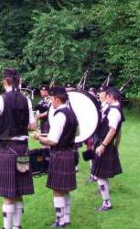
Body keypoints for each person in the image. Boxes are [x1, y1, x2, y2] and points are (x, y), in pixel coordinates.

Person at [0, 68, 36, 229]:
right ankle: (17, 226)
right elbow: (32, 125)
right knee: (18, 191)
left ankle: (7, 228)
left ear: (5, 81)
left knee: (8, 193)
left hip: (7, 147)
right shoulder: (26, 100)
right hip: (23, 148)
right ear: (18, 82)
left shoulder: (0, 99)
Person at [34, 87, 79, 228]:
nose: (50, 101)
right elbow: (73, 134)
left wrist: (39, 138)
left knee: (57, 189)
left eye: (51, 99)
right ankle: (66, 218)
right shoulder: (72, 113)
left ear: (58, 100)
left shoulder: (59, 115)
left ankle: (60, 221)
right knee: (64, 189)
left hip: (59, 154)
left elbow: (53, 141)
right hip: (69, 153)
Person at [92, 87, 125, 211]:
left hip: (105, 145)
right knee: (102, 175)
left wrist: (103, 146)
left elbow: (112, 131)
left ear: (111, 96)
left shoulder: (114, 111)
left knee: (100, 176)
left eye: (107, 96)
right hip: (106, 145)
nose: (105, 98)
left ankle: (106, 203)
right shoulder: (113, 109)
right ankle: (105, 199)